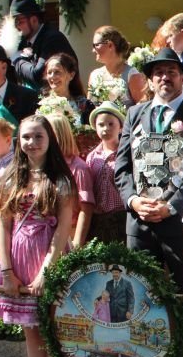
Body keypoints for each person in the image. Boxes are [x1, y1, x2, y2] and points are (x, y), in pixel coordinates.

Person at [0, 114, 75, 357]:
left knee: (54, 333)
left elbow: (62, 231)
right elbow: (3, 228)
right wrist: (7, 271)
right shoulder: (9, 179)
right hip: (19, 261)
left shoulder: (61, 181)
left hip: (49, 261)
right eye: (26, 137)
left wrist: (45, 273)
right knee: (32, 333)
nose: (32, 142)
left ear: (50, 139)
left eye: (38, 136)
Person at [114, 47, 183, 295]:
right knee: (139, 294)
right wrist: (133, 200)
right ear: (150, 80)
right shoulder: (134, 114)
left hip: (179, 222)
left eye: (171, 72)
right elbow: (122, 167)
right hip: (139, 223)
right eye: (158, 72)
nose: (165, 77)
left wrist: (172, 206)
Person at [47, 114, 95, 248]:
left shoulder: (79, 168)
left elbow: (86, 209)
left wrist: (77, 243)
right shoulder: (45, 166)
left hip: (69, 236)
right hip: (46, 236)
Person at [9, 0, 78, 91]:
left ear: (34, 20)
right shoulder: (24, 42)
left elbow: (37, 76)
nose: (16, 27)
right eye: (14, 23)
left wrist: (16, 57)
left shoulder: (52, 39)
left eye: (19, 21)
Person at [85, 102, 127, 244]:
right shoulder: (92, 157)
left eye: (111, 124)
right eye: (101, 125)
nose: (106, 129)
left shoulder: (125, 154)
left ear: (120, 127)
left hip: (121, 216)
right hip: (99, 219)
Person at [88, 25, 147, 108]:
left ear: (110, 45)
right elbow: (89, 107)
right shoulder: (94, 75)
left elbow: (142, 108)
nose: (93, 50)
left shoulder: (131, 75)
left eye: (96, 45)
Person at [43, 53, 92, 128]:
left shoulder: (84, 105)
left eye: (57, 72)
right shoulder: (42, 104)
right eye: (49, 72)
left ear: (71, 75)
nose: (52, 76)